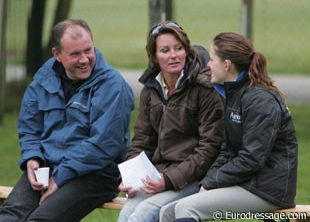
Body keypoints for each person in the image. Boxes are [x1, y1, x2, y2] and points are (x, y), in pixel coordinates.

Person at [0, 19, 135, 222]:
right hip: (48, 167)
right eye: (75, 54)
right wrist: (32, 157)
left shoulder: (112, 86)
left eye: (88, 50)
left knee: (42, 219)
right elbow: (29, 127)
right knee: (9, 216)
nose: (84, 59)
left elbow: (104, 146)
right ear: (57, 55)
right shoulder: (43, 79)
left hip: (95, 174)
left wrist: (60, 178)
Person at [160, 32, 298, 222]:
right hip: (246, 183)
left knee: (187, 208)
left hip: (266, 190)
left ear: (227, 65)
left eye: (212, 59)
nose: (208, 65)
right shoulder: (234, 95)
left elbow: (251, 159)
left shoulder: (261, 100)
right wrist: (207, 183)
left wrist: (213, 182)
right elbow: (226, 150)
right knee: (167, 212)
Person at [117, 21, 225, 222]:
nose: (173, 55)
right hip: (158, 175)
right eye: (165, 50)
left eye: (179, 48)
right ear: (155, 57)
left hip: (193, 178)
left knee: (141, 215)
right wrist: (130, 178)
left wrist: (168, 181)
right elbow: (142, 140)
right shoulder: (151, 90)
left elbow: (209, 148)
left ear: (187, 51)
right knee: (126, 214)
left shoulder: (205, 89)